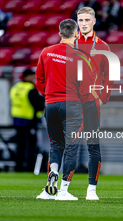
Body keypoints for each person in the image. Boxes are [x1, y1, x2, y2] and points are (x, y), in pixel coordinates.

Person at [36, 19, 93, 201]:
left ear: (60, 33)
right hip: (72, 105)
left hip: (51, 104)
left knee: (55, 144)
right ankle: (63, 190)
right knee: (71, 146)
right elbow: (86, 88)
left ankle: (48, 185)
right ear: (76, 34)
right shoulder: (80, 57)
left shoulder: (46, 52)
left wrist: (50, 95)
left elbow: (39, 80)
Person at [76, 7, 114, 200]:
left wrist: (102, 97)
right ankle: (60, 187)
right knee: (64, 145)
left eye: (87, 20)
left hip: (91, 103)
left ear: (94, 22)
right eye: (80, 20)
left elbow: (110, 75)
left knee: (92, 145)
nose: (83, 23)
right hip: (71, 102)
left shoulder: (103, 47)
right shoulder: (69, 44)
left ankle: (92, 189)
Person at [10, 69, 45, 172]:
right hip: (29, 121)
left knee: (19, 146)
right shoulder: (30, 89)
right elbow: (39, 104)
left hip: (17, 120)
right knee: (30, 146)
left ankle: (18, 167)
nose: (34, 78)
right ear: (27, 76)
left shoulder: (15, 87)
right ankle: (29, 167)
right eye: (32, 76)